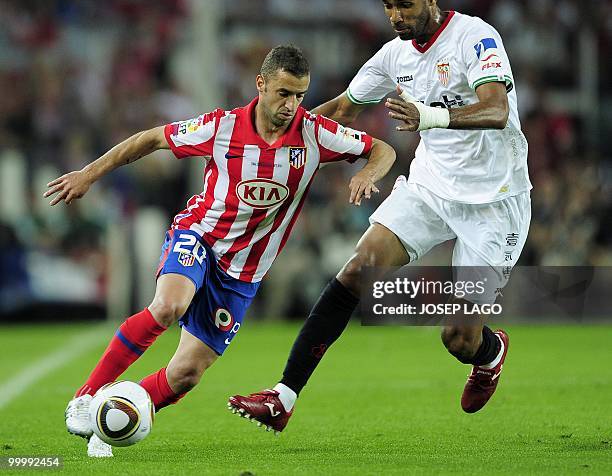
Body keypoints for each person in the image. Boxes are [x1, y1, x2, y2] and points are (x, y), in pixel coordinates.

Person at [45, 45, 396, 457]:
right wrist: (89, 174)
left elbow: (382, 149)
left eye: (300, 95)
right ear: (261, 84)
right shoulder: (222, 127)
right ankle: (87, 396)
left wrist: (369, 172)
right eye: (284, 93)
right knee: (168, 306)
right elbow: (152, 139)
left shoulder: (315, 133)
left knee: (186, 373)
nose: (292, 105)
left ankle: (115, 418)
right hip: (200, 237)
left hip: (244, 273)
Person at [229, 0, 532, 432]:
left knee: (458, 339)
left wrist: (428, 118)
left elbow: (495, 108)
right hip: (430, 188)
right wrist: (272, 137)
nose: (395, 15)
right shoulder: (393, 56)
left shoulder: (476, 37)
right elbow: (343, 110)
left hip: (494, 201)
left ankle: (490, 353)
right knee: (357, 267)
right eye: (388, 6)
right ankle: (283, 397)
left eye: (404, 4)